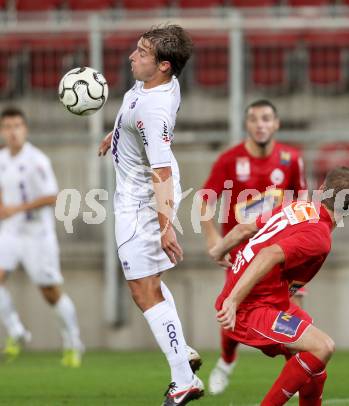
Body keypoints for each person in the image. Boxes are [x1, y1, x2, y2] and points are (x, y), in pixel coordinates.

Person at [98, 25, 204, 405]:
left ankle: (183, 379)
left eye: (141, 52)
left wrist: (165, 227)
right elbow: (141, 130)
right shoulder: (161, 87)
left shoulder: (153, 109)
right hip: (141, 193)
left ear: (163, 65)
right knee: (151, 282)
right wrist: (118, 136)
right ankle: (183, 354)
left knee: (142, 290)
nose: (132, 56)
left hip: (142, 203)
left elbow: (159, 172)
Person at [210, 166, 349, 405]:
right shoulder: (319, 237)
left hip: (269, 300)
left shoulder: (298, 206)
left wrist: (219, 250)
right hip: (250, 308)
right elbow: (268, 254)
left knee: (315, 363)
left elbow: (246, 228)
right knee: (323, 347)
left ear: (321, 189)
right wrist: (233, 301)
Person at [199, 99, 308, 395]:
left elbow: (302, 203)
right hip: (243, 253)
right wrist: (214, 241)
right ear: (247, 124)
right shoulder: (230, 160)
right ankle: (226, 361)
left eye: (266, 119)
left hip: (281, 251)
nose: (260, 124)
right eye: (254, 119)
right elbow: (205, 199)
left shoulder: (291, 158)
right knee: (232, 311)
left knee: (292, 311)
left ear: (276, 124)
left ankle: (296, 369)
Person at [0, 107, 83, 367]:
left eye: (17, 126)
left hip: (38, 235)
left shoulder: (38, 160)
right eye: (8, 127)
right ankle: (16, 331)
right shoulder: (2, 158)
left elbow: (52, 196)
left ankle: (73, 341)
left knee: (50, 291)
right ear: (2, 132)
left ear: (25, 130)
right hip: (11, 233)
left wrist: (17, 208)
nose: (12, 132)